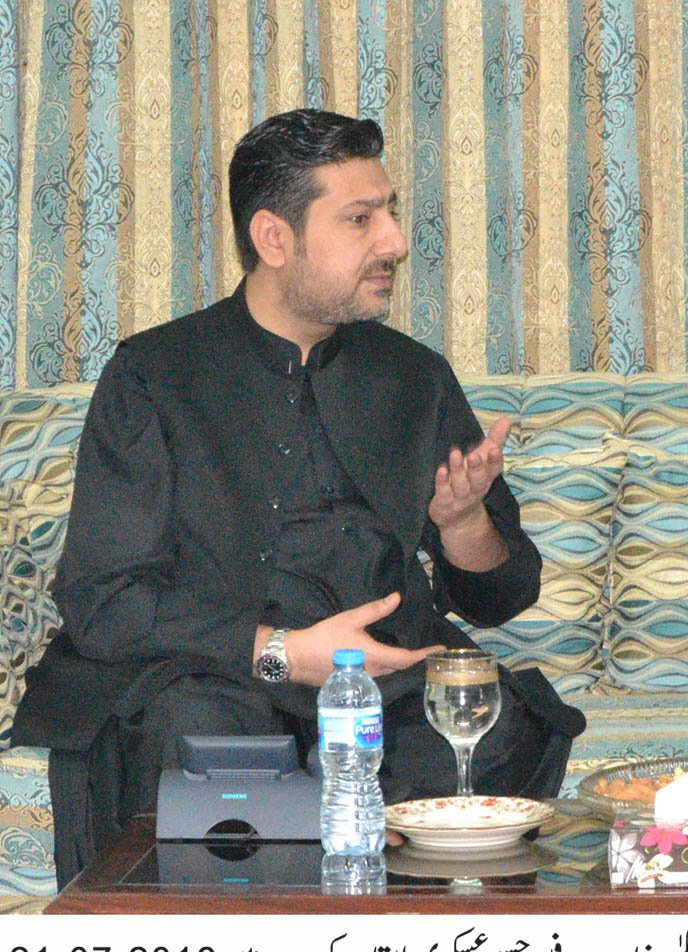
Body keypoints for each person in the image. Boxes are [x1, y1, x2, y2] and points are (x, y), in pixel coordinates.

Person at [13, 109, 584, 887]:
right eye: (360, 219)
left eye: (388, 212)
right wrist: (283, 655)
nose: (394, 242)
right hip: (212, 670)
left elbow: (500, 595)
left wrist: (462, 524)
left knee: (485, 725)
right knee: (203, 738)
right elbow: (104, 601)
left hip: (384, 678)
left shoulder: (411, 377)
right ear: (275, 239)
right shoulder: (155, 376)